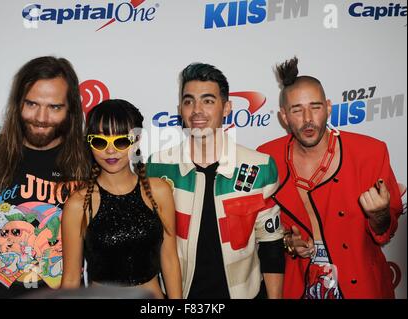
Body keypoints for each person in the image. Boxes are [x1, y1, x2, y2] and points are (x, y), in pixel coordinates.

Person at [257, 57, 403, 299]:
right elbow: (260, 227)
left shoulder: (370, 153)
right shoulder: (267, 157)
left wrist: (380, 214)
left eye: (315, 107)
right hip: (298, 285)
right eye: (296, 110)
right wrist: (288, 243)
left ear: (328, 107)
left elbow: (387, 231)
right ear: (283, 116)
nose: (307, 119)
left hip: (361, 285)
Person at [146, 63, 285, 299]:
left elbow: (271, 244)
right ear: (180, 109)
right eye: (189, 101)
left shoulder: (260, 166)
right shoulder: (157, 166)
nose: (197, 110)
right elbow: (148, 247)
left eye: (208, 101)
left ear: (227, 107)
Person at [0, 56, 89, 298]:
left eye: (54, 107)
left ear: (70, 109)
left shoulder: (89, 159)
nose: (41, 117)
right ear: (17, 103)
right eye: (32, 104)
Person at [60, 100, 182, 299]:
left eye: (121, 141)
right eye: (100, 141)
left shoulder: (159, 191)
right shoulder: (79, 204)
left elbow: (169, 259)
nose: (110, 150)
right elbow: (72, 279)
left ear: (137, 140)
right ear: (89, 142)